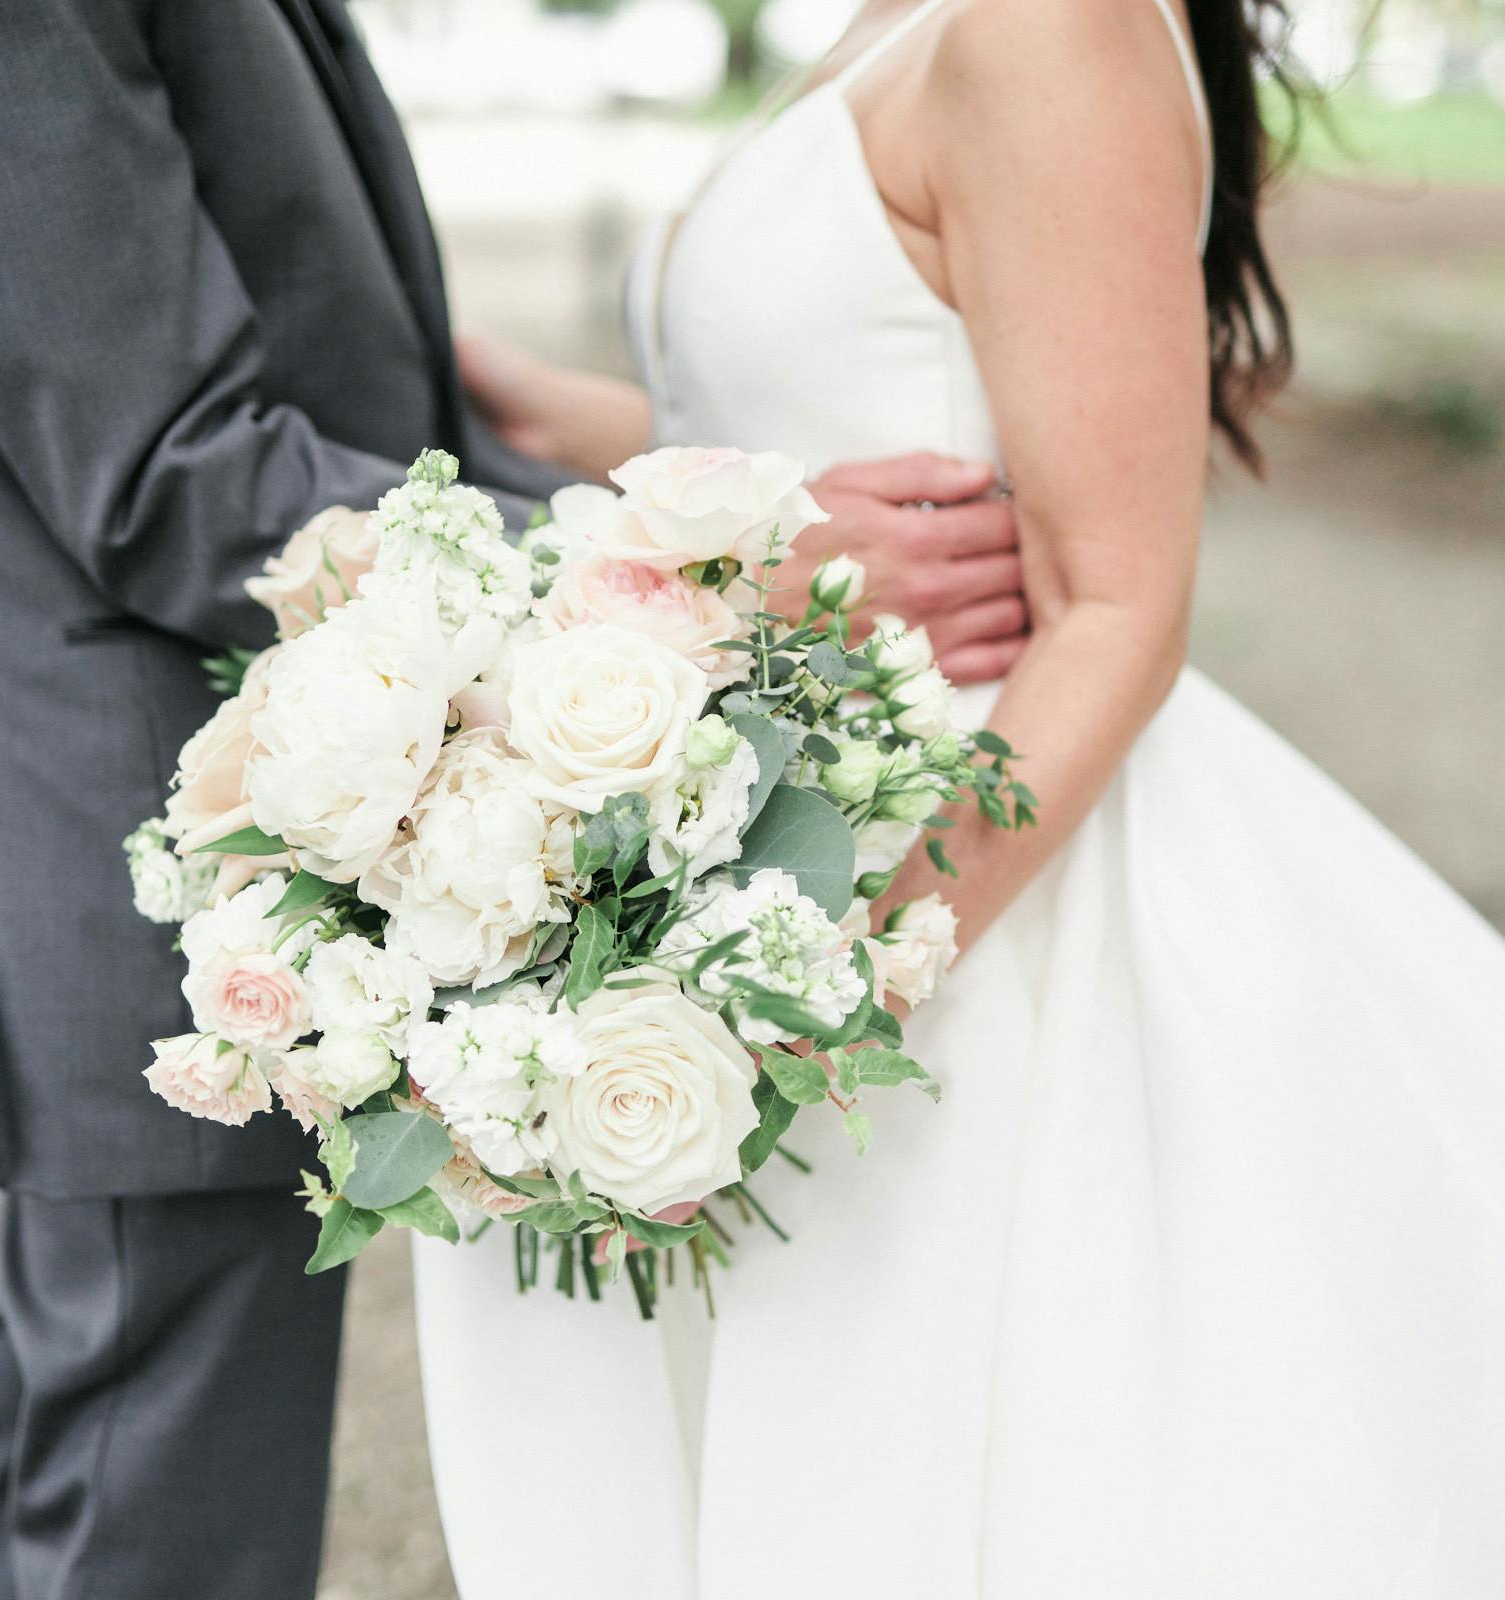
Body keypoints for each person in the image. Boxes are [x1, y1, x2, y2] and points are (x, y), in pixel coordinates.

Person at [0, 1, 1025, 1594]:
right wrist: (715, 556)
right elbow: (168, 477)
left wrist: (608, 463)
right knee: (155, 1508)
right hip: (169, 802)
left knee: (86, 1430)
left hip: (218, 774)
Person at [413, 1, 1505, 1595]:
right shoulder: (901, 18)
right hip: (796, 804)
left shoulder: (1050, 27)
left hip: (966, 859)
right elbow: (845, 413)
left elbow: (1120, 607)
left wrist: (831, 991)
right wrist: (516, 407)